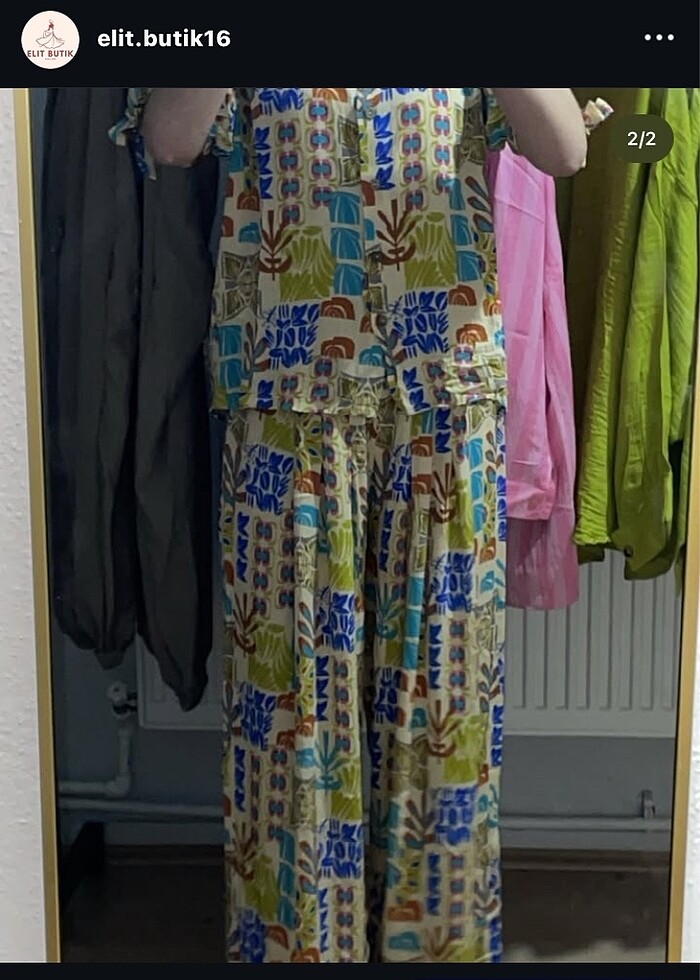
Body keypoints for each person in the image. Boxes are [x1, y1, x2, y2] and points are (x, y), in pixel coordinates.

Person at [115, 87, 587, 963]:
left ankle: (433, 947)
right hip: (287, 392)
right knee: (290, 708)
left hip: (444, 392)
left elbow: (565, 150)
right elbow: (171, 140)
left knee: (442, 707)